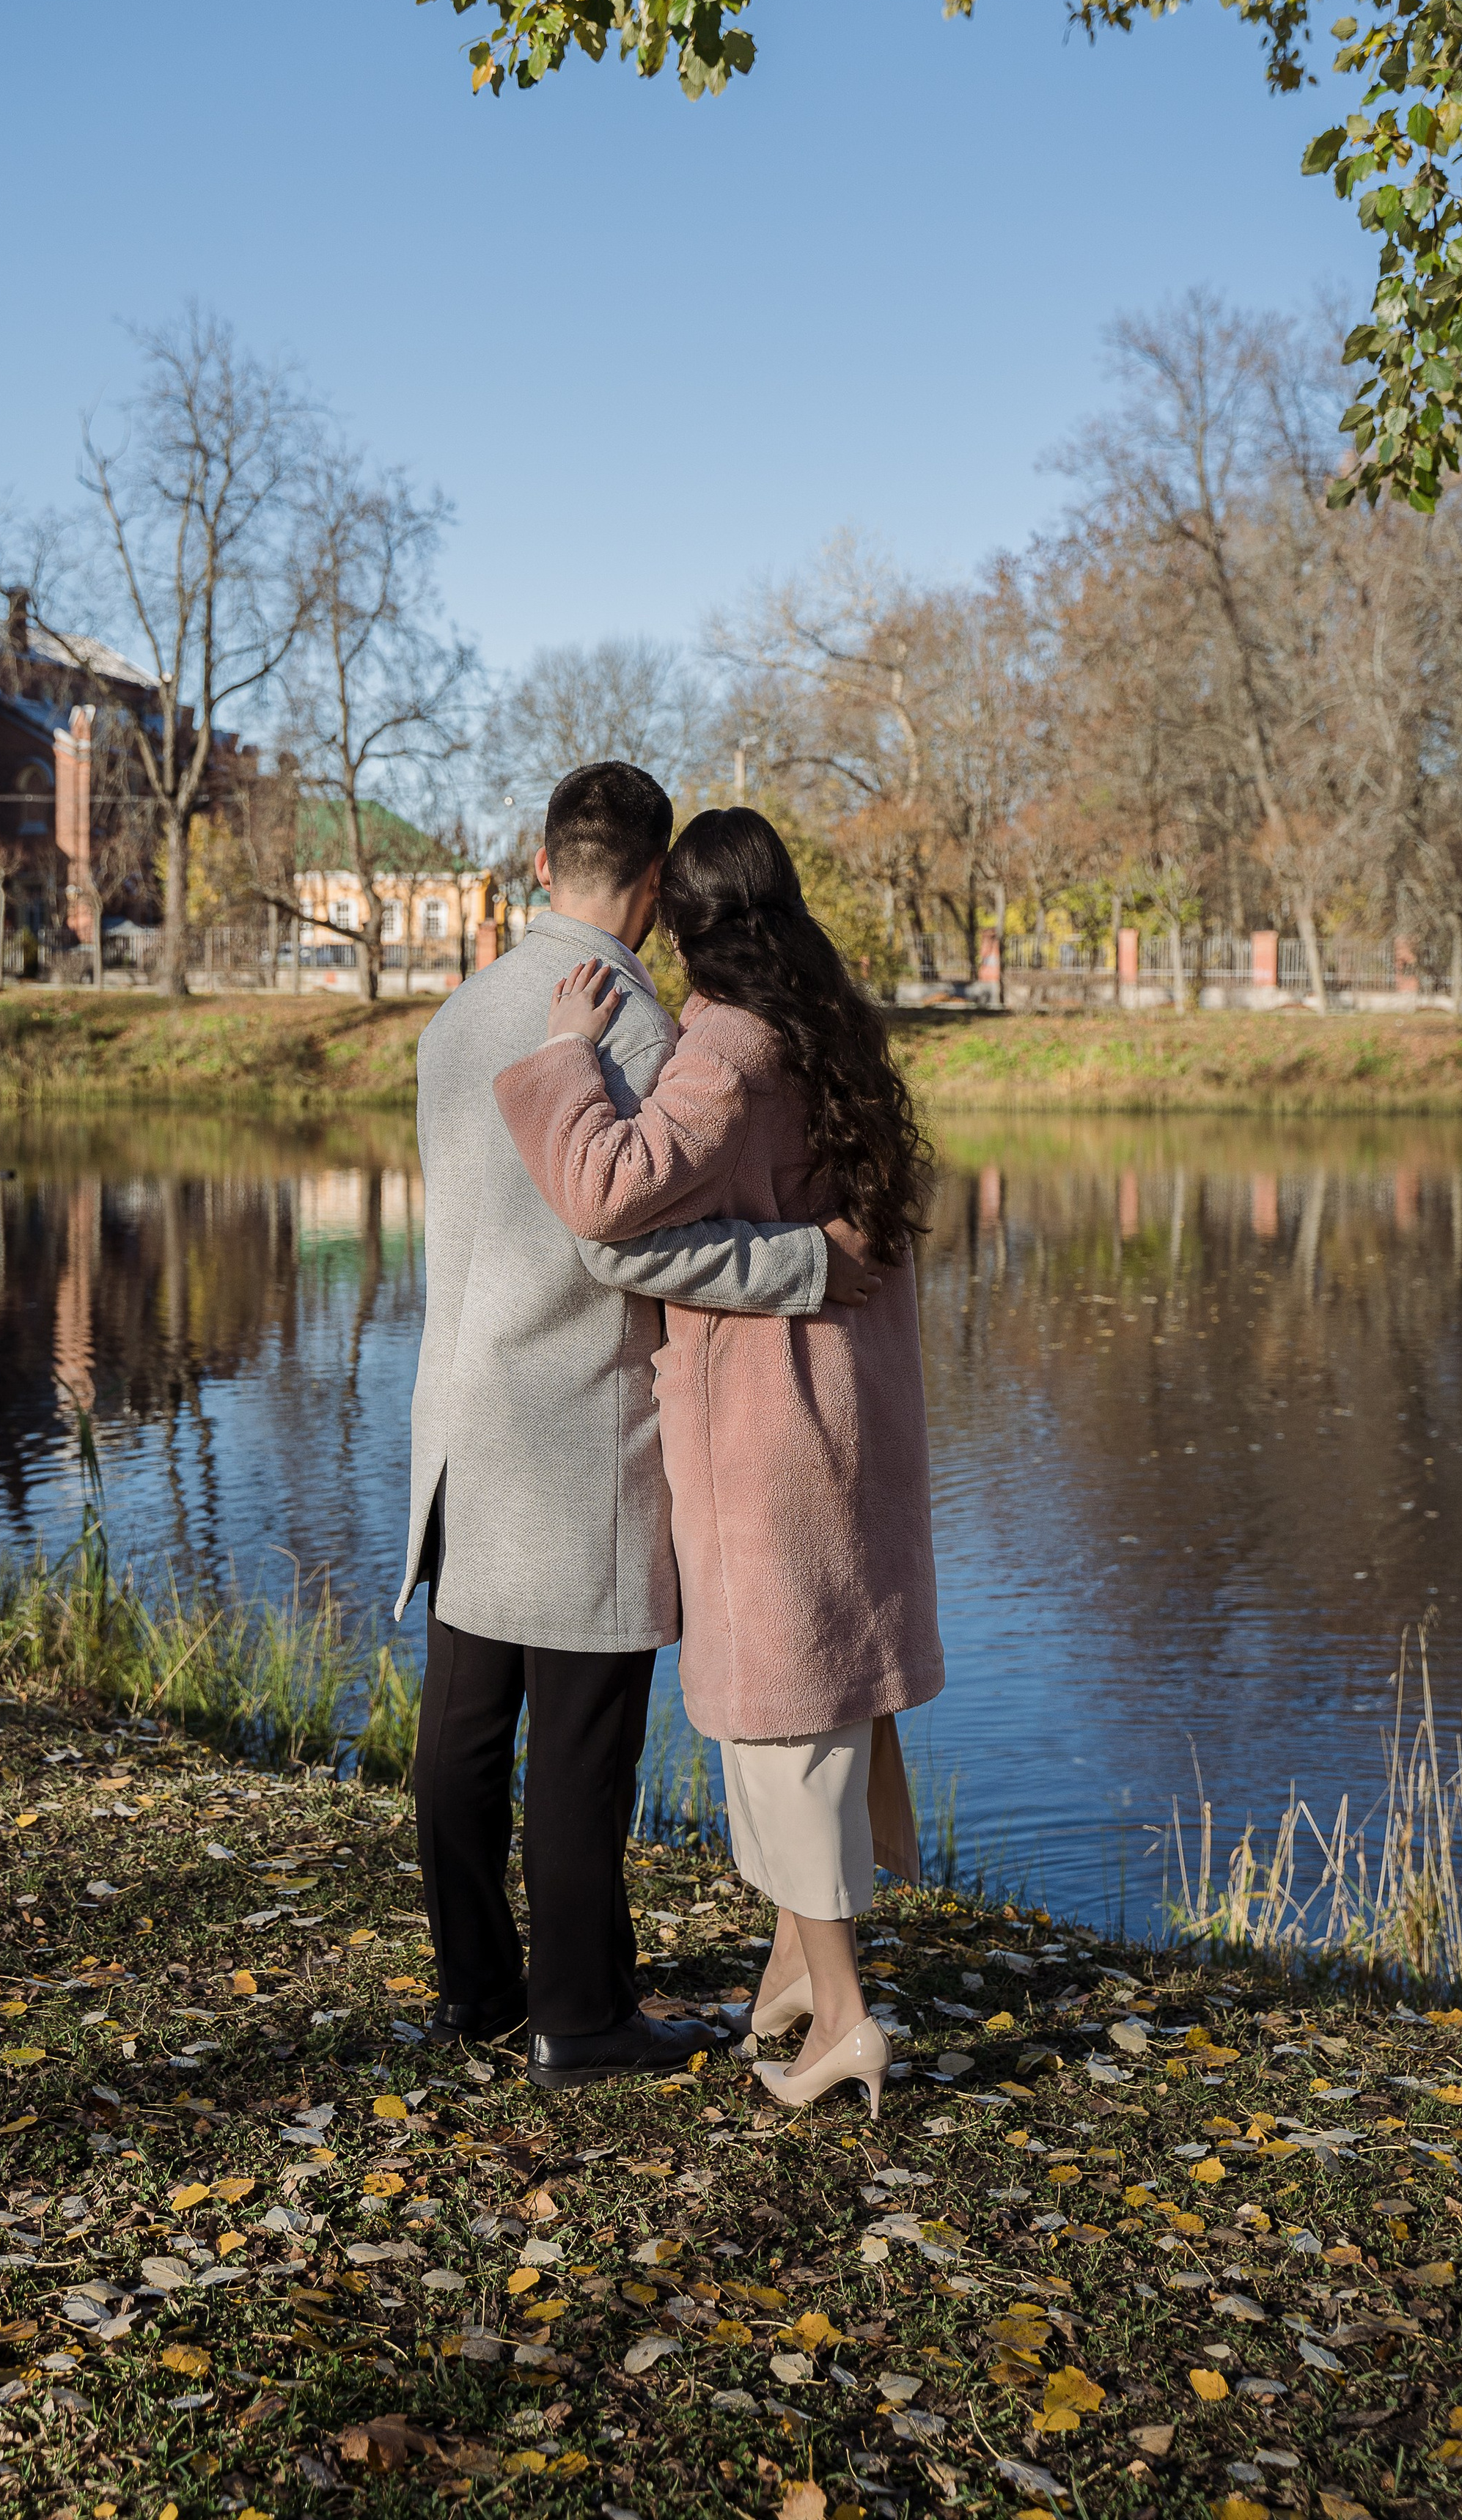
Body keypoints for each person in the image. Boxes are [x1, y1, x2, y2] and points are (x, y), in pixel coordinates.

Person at [400, 763, 885, 2090]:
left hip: (460, 1424)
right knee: (580, 1750)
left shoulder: (455, 1016)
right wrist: (804, 1264)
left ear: (542, 859)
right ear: (657, 881)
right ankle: (584, 2019)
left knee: (462, 1735)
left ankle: (478, 1993)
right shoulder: (633, 1028)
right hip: (578, 1440)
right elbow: (629, 1250)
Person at [493, 807, 943, 2116]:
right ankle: (795, 1977)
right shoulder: (828, 1020)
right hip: (848, 1408)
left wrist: (569, 1058)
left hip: (770, 1422)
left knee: (779, 1714)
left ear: (683, 921)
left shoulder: (727, 1042)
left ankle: (846, 2018)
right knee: (832, 1692)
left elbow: (607, 1189)